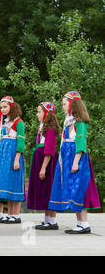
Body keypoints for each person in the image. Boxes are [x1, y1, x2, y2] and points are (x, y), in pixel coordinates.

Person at [48, 92, 101, 233]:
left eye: (65, 104)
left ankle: (84, 223)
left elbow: (81, 143)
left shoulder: (80, 121)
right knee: (73, 189)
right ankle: (80, 223)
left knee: (79, 188)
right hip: (67, 156)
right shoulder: (69, 119)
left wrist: (76, 161)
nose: (63, 107)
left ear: (72, 104)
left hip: (76, 157)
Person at [0, 96, 25, 224]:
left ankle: (16, 214)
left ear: (12, 107)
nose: (3, 109)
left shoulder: (19, 122)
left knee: (14, 182)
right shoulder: (5, 122)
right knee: (7, 182)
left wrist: (17, 159)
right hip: (4, 156)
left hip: (12, 155)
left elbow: (21, 142)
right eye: (1, 107)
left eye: (5, 107)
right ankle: (9, 213)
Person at [27, 102, 60, 230]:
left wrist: (43, 167)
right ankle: (47, 220)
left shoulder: (50, 130)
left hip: (46, 162)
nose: (37, 114)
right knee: (43, 190)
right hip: (39, 159)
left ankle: (52, 221)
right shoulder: (43, 128)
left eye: (39, 112)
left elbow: (49, 150)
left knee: (48, 189)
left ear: (46, 113)